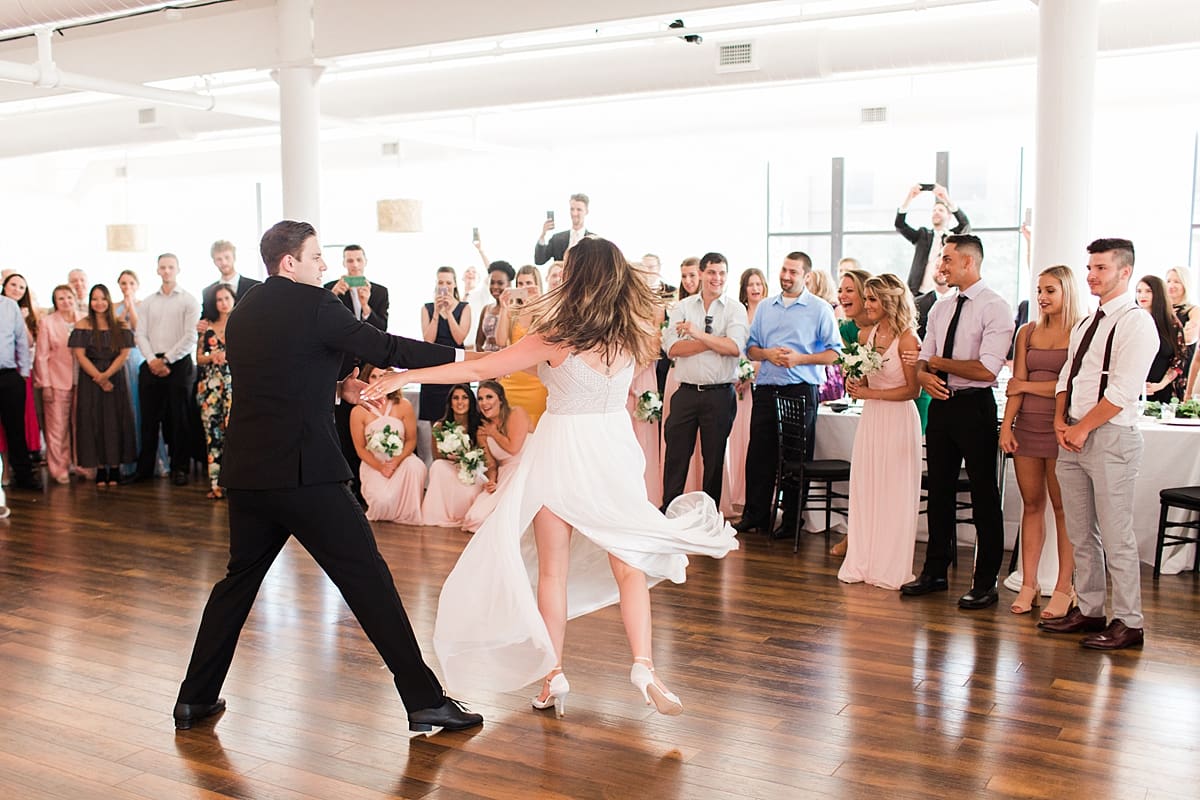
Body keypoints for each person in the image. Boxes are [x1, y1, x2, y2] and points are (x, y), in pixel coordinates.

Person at [365, 236, 737, 718]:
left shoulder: (556, 338)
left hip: (561, 451)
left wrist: (402, 376)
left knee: (553, 571)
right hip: (613, 453)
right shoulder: (633, 333)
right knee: (629, 564)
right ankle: (644, 665)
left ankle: (553, 674)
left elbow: (477, 365)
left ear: (577, 277)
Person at [174, 220, 482, 734]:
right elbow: (388, 349)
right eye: (317, 256)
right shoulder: (317, 305)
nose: (325, 265)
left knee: (237, 584)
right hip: (306, 474)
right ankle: (425, 701)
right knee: (369, 581)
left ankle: (194, 698)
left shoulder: (245, 309)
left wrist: (335, 387)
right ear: (289, 263)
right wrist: (468, 359)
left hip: (249, 475)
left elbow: (281, 375)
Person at [1038, 238, 1157, 650]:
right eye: (1090, 267)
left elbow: (1123, 390)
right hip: (1071, 434)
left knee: (1116, 533)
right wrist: (1060, 421)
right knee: (1080, 532)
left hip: (1110, 437)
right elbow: (1066, 378)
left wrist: (1083, 427)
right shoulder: (1086, 323)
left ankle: (1130, 621)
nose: (1091, 275)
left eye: (1101, 268)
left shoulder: (1137, 323)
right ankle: (1089, 610)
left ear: (1125, 272)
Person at [903, 234, 1014, 609]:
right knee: (940, 491)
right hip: (941, 406)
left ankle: (985, 582)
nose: (941, 266)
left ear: (968, 262)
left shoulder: (995, 307)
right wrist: (922, 374)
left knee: (984, 494)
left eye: (947, 259)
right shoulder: (940, 308)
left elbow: (986, 369)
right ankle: (934, 571)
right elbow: (924, 356)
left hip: (975, 407)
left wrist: (936, 364)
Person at [734, 251, 842, 538]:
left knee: (795, 457)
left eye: (793, 272)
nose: (786, 276)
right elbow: (751, 348)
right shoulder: (766, 307)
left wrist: (800, 359)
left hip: (800, 390)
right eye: (784, 269)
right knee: (759, 454)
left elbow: (835, 354)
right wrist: (767, 354)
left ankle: (793, 520)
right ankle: (756, 515)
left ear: (806, 276)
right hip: (767, 389)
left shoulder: (820, 309)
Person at [999, 265, 1081, 617]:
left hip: (1062, 427)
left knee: (1065, 510)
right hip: (1027, 426)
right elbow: (1014, 384)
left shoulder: (1081, 331)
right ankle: (1029, 584)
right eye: (1039, 291)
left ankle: (1065, 587)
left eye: (1050, 291)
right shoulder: (1026, 332)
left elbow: (1069, 385)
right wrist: (1006, 426)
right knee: (1031, 505)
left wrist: (1027, 386)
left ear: (1066, 292)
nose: (1043, 298)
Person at [837, 274, 922, 590]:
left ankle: (890, 565)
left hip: (898, 419)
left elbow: (912, 390)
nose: (867, 304)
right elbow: (868, 383)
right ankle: (864, 560)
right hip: (872, 420)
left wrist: (870, 394)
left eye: (872, 299)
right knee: (868, 487)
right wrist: (856, 383)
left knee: (893, 491)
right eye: (867, 298)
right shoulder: (865, 336)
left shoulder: (908, 338)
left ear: (888, 301)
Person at [660, 252, 748, 510]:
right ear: (701, 273)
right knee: (676, 457)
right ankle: (669, 512)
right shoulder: (682, 308)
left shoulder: (735, 309)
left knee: (714, 460)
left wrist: (696, 335)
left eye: (722, 273)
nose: (716, 278)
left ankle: (709, 516)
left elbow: (734, 348)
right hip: (685, 393)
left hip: (719, 395)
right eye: (711, 272)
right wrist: (713, 343)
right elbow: (672, 350)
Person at [126, 253, 200, 486]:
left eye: (170, 267)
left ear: (178, 269)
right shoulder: (148, 302)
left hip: (179, 363)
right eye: (162, 267)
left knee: (180, 419)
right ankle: (145, 469)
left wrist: (166, 359)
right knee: (148, 420)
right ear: (157, 270)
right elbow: (140, 334)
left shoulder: (189, 300)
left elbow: (190, 336)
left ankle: (180, 468)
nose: (166, 271)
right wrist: (152, 360)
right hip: (151, 362)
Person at [326, 244, 389, 501]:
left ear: (365, 262)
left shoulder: (379, 292)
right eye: (349, 260)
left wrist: (365, 307)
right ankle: (346, 486)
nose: (354, 265)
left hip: (368, 370)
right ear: (343, 263)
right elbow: (323, 329)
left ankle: (367, 488)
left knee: (367, 427)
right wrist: (330, 296)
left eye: (357, 260)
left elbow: (383, 331)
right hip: (340, 371)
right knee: (341, 430)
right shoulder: (330, 290)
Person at [70, 285, 137, 486]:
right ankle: (99, 467)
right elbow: (80, 355)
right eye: (95, 299)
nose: (99, 303)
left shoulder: (120, 325)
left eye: (103, 299)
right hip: (90, 378)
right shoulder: (82, 324)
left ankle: (115, 468)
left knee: (115, 420)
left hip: (115, 376)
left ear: (109, 301)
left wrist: (106, 375)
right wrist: (98, 377)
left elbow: (125, 353)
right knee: (93, 420)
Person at [352, 364, 426, 525]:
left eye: (383, 376)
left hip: (400, 459)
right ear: (366, 379)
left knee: (415, 465)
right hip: (374, 463)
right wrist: (381, 467)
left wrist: (396, 462)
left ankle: (409, 513)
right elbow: (359, 448)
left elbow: (411, 439)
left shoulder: (404, 405)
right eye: (374, 376)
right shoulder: (358, 411)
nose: (379, 381)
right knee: (382, 502)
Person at [720, 267, 765, 519]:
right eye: (751, 284)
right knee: (738, 438)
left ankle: (755, 494)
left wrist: (751, 374)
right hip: (738, 384)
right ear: (744, 288)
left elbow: (765, 349)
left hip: (759, 382)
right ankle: (738, 493)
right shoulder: (738, 313)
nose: (755, 288)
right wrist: (739, 374)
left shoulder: (768, 312)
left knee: (754, 439)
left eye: (759, 283)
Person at [461, 380, 530, 533]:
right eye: (480, 399)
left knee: (510, 517)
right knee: (473, 519)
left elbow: (514, 448)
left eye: (489, 397)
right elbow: (492, 465)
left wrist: (494, 433)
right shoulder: (482, 431)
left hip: (528, 469)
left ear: (500, 399)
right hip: (504, 474)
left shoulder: (516, 413)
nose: (484, 402)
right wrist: (491, 480)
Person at [419, 267, 471, 458]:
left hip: (456, 368)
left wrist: (449, 312)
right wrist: (436, 313)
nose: (445, 287)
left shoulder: (464, 307)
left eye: (448, 283)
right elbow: (428, 340)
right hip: (433, 369)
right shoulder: (427, 308)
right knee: (433, 423)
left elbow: (459, 338)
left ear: (455, 284)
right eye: (441, 282)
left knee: (459, 416)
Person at [420, 384, 485, 527]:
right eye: (455, 398)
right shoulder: (440, 426)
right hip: (449, 466)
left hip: (471, 468)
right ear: (450, 403)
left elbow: (484, 456)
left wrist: (466, 457)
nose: (460, 402)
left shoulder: (479, 425)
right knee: (437, 466)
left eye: (464, 398)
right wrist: (450, 456)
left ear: (471, 401)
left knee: (471, 491)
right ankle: (438, 513)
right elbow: (436, 456)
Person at [33, 285, 77, 484]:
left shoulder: (84, 319)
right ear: (55, 302)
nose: (66, 301)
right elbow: (41, 356)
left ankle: (80, 464)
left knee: (80, 426)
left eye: (69, 297)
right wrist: (45, 384)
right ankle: (59, 468)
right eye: (61, 298)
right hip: (57, 381)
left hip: (82, 381)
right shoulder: (47, 322)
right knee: (57, 428)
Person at [496, 265, 549, 427]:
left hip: (536, 382)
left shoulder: (545, 310)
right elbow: (500, 340)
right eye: (520, 284)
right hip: (511, 381)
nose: (523, 288)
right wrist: (504, 309)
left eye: (528, 283)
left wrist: (538, 302)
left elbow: (548, 341)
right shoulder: (512, 311)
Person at [896, 183, 970, 296]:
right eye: (934, 210)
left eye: (941, 210)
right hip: (918, 293)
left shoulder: (952, 237)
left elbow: (965, 225)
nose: (936, 212)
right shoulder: (922, 235)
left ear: (949, 216)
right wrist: (909, 197)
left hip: (945, 293)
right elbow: (900, 225)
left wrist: (946, 198)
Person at [196, 285, 234, 499]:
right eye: (219, 299)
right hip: (210, 386)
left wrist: (229, 355)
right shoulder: (206, 326)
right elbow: (198, 357)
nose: (223, 303)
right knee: (213, 434)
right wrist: (213, 357)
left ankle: (236, 482)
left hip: (235, 385)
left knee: (234, 433)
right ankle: (215, 484)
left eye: (226, 298)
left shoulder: (241, 324)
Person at [0, 287, 39, 491]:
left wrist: (23, 372)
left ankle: (24, 477)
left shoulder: (10, 306)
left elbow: (21, 341)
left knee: (16, 429)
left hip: (8, 375)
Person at [1135, 275, 1186, 403]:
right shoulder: (1132, 321)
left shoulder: (1172, 324)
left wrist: (1160, 385)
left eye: (1148, 291)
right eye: (1139, 291)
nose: (1142, 295)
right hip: (1134, 390)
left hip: (1164, 392)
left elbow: (1179, 359)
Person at [200, 240, 260, 324]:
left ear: (234, 258)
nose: (224, 262)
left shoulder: (255, 286)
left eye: (227, 257)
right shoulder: (207, 292)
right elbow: (206, 320)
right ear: (214, 262)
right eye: (219, 259)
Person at [534, 193, 592, 265]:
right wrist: (543, 234)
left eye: (579, 210)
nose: (574, 213)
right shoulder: (557, 239)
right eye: (572, 209)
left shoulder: (594, 240)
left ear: (586, 211)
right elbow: (539, 260)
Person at [475, 261, 514, 354]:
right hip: (487, 362)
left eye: (500, 283)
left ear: (508, 285)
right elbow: (478, 343)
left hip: (508, 363)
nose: (495, 286)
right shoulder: (486, 309)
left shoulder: (514, 310)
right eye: (492, 283)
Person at [1165, 266, 1198, 371]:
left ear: (1185, 284)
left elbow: (1189, 338)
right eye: (1168, 281)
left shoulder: (1194, 310)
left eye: (1176, 281)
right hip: (1160, 366)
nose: (1171, 285)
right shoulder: (1160, 309)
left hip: (1181, 367)